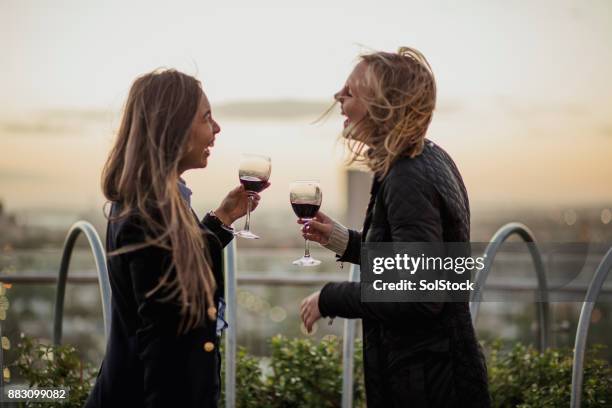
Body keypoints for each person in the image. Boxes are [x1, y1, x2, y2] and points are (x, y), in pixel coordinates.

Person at [299, 47, 490, 407]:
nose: (337, 98)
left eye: (350, 92)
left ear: (385, 104)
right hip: (435, 374)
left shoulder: (407, 175)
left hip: (426, 383)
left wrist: (330, 298)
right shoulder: (426, 159)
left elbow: (416, 295)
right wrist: (342, 240)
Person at [85, 69, 267, 407]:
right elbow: (164, 349)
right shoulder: (151, 217)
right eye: (207, 118)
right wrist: (333, 295)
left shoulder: (155, 203)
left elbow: (178, 269)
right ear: (176, 129)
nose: (217, 128)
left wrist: (221, 219)